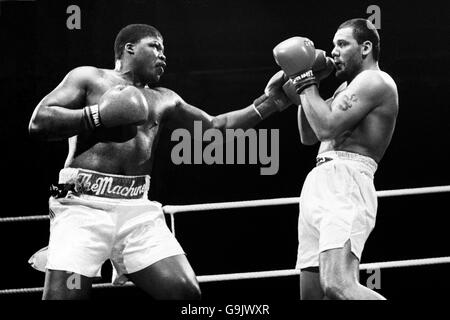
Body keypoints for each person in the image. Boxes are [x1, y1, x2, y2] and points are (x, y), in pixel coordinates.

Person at [28, 23, 292, 300]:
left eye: (164, 50)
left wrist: (270, 103)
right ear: (129, 48)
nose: (163, 55)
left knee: (185, 293)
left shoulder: (165, 98)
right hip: (82, 207)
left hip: (136, 211)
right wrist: (97, 115)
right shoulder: (89, 78)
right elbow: (39, 122)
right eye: (155, 46)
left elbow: (216, 126)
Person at [273, 19, 399, 299]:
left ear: (366, 47)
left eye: (342, 44)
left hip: (347, 182)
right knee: (313, 294)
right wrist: (308, 82)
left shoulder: (375, 80)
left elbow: (326, 127)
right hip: (320, 181)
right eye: (333, 44)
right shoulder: (346, 89)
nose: (334, 51)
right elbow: (309, 133)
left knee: (338, 284)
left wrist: (305, 81)